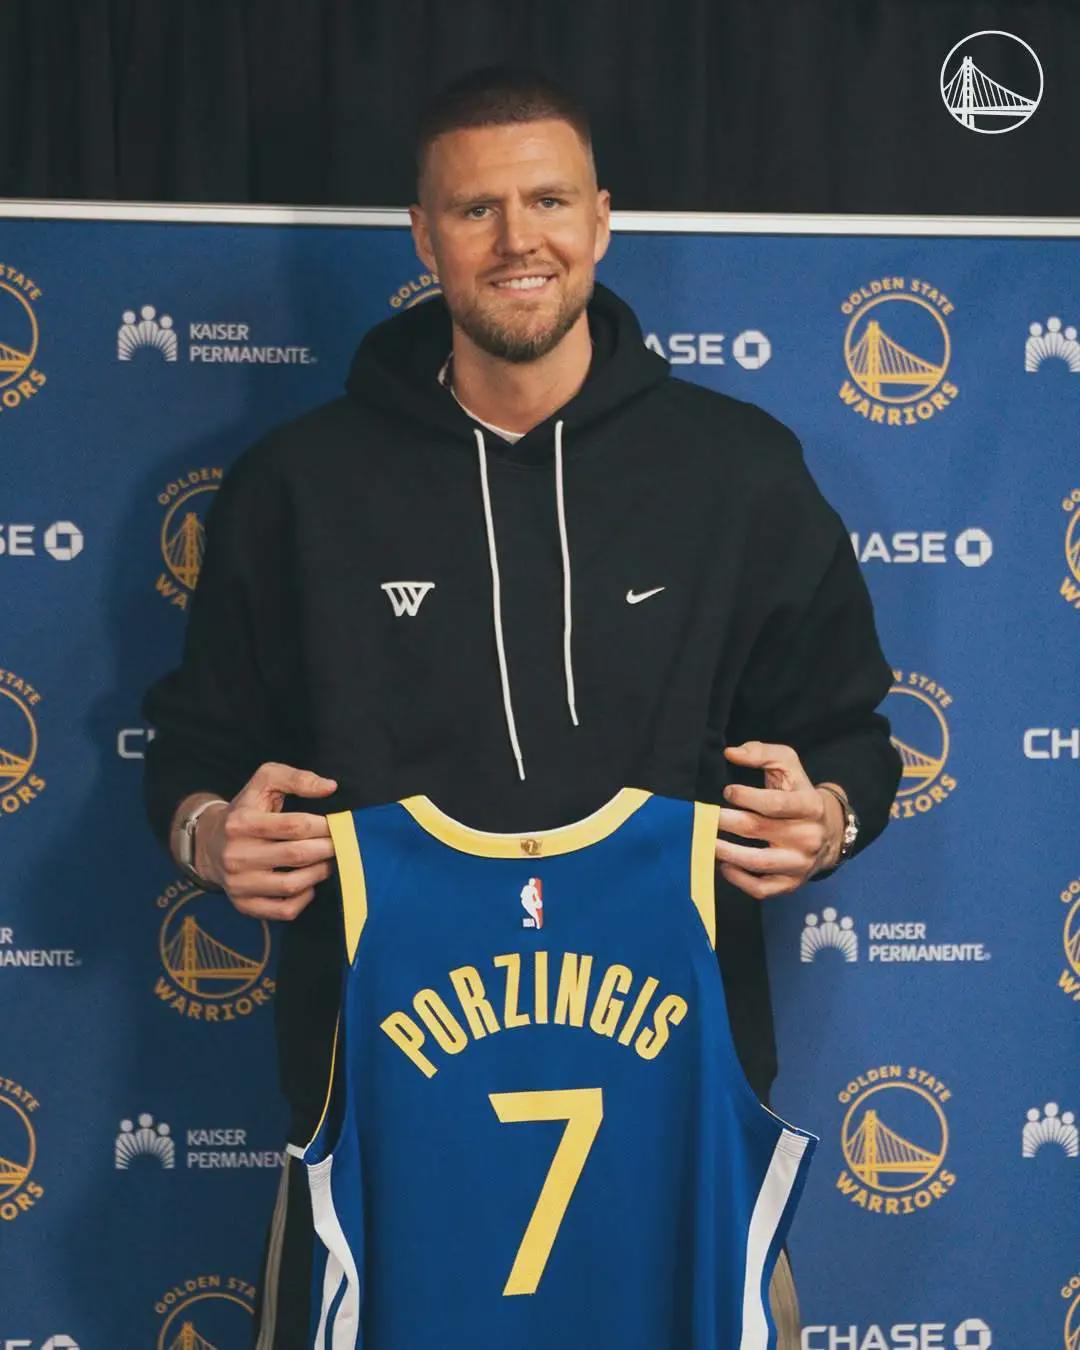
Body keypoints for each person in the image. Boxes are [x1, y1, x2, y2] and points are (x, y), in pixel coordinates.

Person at [141, 64, 901, 1349]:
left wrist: (828, 816)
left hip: (677, 1089)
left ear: (601, 218)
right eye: (475, 209)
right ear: (422, 235)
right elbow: (194, 747)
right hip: (376, 1093)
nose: (517, 240)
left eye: (547, 201)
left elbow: (853, 737)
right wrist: (208, 832)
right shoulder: (298, 486)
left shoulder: (738, 471)